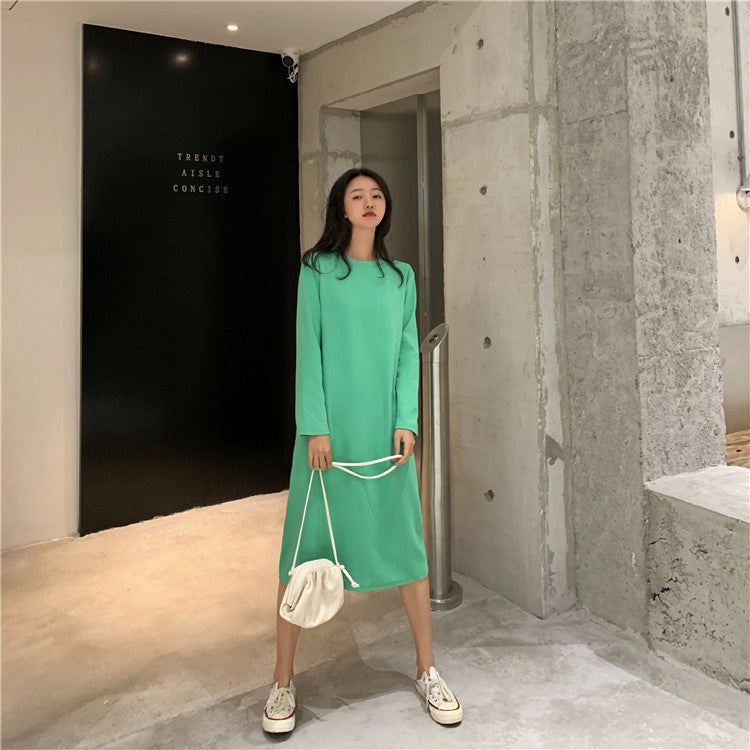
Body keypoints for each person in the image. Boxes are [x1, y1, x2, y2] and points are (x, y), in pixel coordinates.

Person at [262, 167, 462, 734]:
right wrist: (315, 427)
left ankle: (427, 669)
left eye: (376, 195)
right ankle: (281, 681)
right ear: (342, 208)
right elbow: (309, 349)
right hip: (327, 438)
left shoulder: (401, 277)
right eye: (358, 195)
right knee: (301, 557)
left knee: (408, 550)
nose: (369, 202)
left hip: (386, 437)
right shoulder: (317, 269)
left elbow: (406, 353)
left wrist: (407, 421)